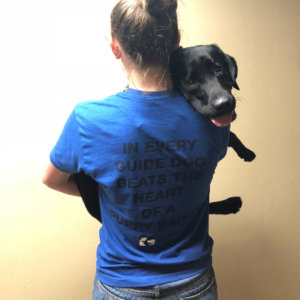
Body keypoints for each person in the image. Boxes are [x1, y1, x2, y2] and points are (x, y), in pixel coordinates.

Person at [43, 0, 230, 299]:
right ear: (177, 40)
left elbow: (53, 179)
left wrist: (118, 193)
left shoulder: (87, 120)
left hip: (120, 284)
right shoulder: (212, 117)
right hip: (193, 282)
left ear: (115, 47)